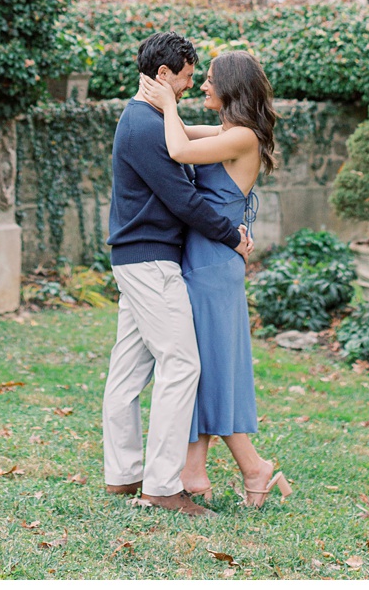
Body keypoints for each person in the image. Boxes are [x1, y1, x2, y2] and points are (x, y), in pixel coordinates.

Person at [100, 31, 252, 518]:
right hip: (150, 261)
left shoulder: (146, 118)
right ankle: (163, 487)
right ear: (163, 74)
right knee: (182, 365)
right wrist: (231, 236)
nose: (190, 85)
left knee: (129, 371)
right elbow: (183, 199)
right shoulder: (145, 125)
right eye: (186, 77)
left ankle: (123, 474)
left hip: (138, 257)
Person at [137, 52, 296, 509]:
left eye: (209, 80)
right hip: (203, 258)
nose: (202, 86)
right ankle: (209, 469)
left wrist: (169, 103)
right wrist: (157, 101)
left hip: (212, 266)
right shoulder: (230, 132)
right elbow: (180, 133)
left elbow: (178, 150)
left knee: (205, 366)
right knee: (202, 365)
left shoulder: (242, 137)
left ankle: (240, 467)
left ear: (231, 86)